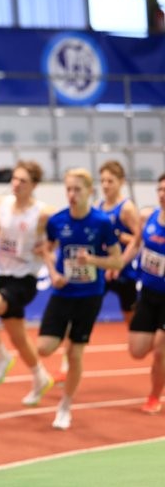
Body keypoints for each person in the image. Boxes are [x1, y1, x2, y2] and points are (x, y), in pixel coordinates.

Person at [38, 168, 123, 430]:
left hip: (89, 296)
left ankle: (65, 405)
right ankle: (51, 366)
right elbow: (47, 249)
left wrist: (93, 260)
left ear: (90, 192)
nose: (72, 195)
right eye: (69, 190)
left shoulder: (102, 223)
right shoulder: (57, 221)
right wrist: (53, 272)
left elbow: (117, 260)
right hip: (63, 293)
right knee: (44, 348)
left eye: (77, 190)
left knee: (75, 353)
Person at [0, 160, 55, 407]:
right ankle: (40, 377)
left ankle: (1, 356)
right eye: (14, 179)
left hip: (24, 280)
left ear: (34, 185)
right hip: (1, 275)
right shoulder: (0, 205)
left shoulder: (43, 212)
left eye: (23, 180)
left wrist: (49, 246)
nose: (16, 184)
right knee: (19, 337)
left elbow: (62, 233)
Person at [129, 173, 165, 414]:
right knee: (137, 350)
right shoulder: (147, 216)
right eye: (160, 189)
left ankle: (154, 395)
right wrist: (116, 264)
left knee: (160, 351)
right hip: (148, 294)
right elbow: (135, 244)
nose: (162, 194)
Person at [97, 160, 141, 325]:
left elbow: (139, 239)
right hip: (103, 268)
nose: (105, 185)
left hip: (124, 270)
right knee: (86, 308)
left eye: (110, 181)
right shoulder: (99, 206)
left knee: (131, 318)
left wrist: (119, 262)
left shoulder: (127, 208)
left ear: (121, 182)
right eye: (102, 181)